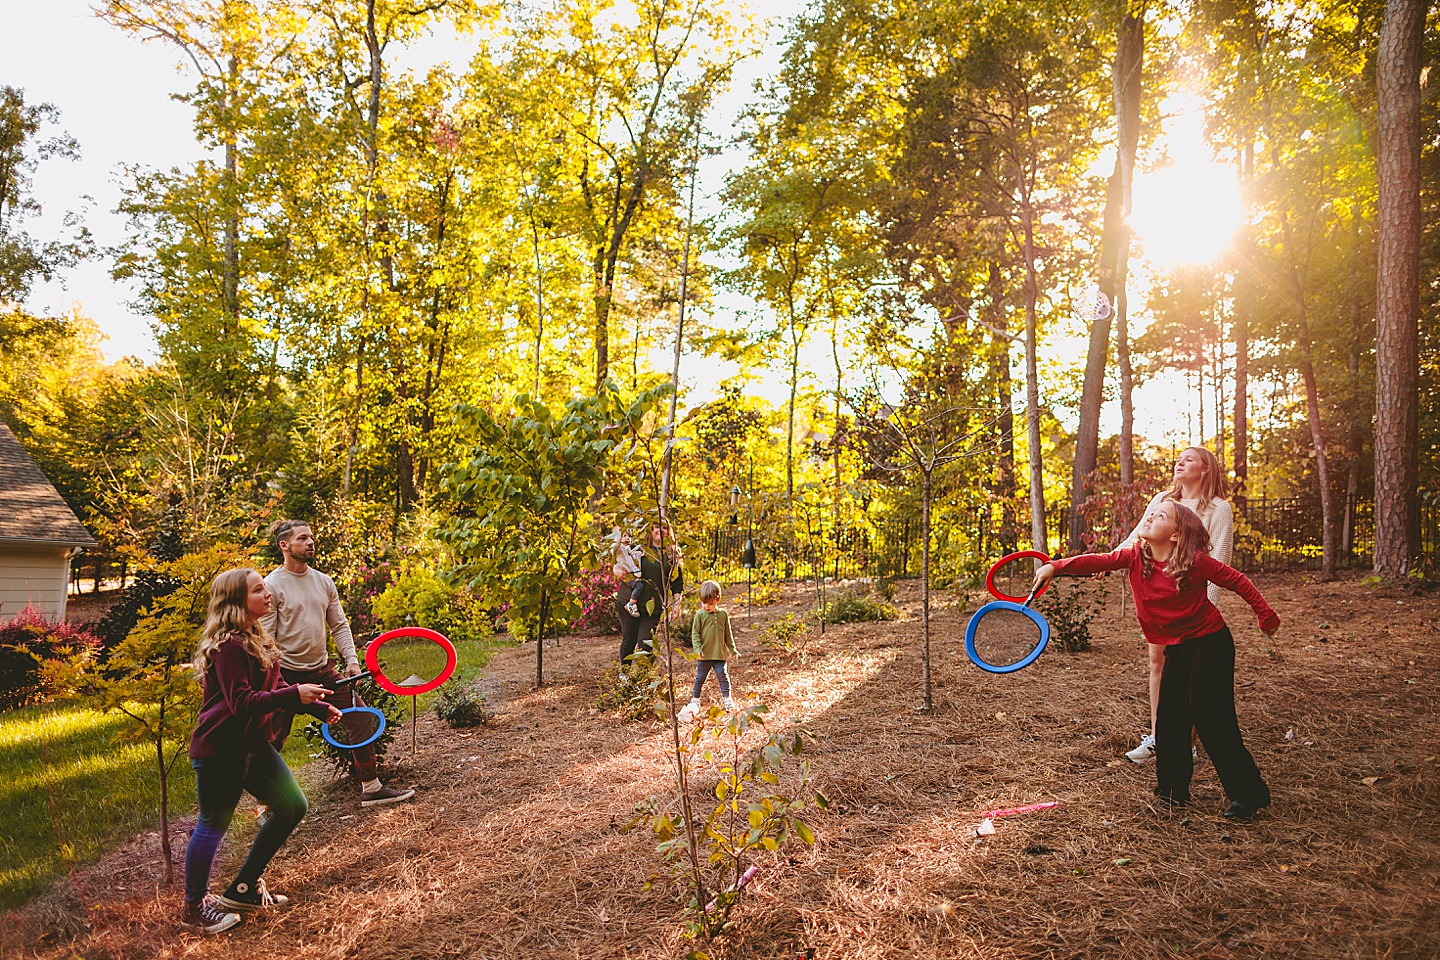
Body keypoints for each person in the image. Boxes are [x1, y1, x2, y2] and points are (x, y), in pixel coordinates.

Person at [1032, 501, 1280, 820]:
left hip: (1210, 643)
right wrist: (1056, 566)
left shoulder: (1196, 561)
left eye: (1160, 516)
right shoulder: (1136, 555)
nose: (1150, 517)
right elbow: (1100, 560)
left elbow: (1237, 581)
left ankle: (1248, 794)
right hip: (1176, 646)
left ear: (1176, 535)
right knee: (1170, 720)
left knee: (1210, 718)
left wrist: (1266, 616)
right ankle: (1172, 792)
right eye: (1150, 513)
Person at [182, 567, 342, 934]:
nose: (267, 594)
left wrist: (316, 705)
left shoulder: (257, 637)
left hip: (254, 745)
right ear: (237, 601)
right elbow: (242, 702)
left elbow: (279, 685)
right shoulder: (228, 646)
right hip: (221, 748)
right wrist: (293, 694)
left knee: (291, 806)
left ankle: (243, 888)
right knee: (213, 825)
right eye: (258, 590)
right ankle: (193, 907)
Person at [262, 519, 414, 807]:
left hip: (322, 671)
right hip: (285, 676)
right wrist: (275, 682)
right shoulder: (272, 585)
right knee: (271, 738)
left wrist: (352, 661)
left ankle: (371, 786)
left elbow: (340, 626)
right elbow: (267, 640)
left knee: (359, 716)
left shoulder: (323, 581)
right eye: (302, 538)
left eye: (311, 537)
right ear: (284, 545)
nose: (310, 542)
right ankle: (266, 801)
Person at [1118, 446, 1234, 763]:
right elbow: (1137, 537)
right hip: (1160, 600)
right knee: (1160, 664)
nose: (1180, 463)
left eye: (1189, 460)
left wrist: (1203, 611)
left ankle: (1186, 743)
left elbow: (1219, 558)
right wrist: (1109, 561)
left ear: (1206, 468)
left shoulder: (1219, 509)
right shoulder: (1163, 501)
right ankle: (1159, 737)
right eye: (1178, 459)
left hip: (1193, 607)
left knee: (1194, 676)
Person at [615, 521, 684, 665]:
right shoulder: (639, 548)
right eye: (657, 527)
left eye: (665, 527)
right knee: (629, 640)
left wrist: (677, 605)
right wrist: (616, 571)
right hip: (628, 602)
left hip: (653, 606)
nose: (661, 530)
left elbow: (677, 583)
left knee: (646, 643)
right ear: (651, 530)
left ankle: (642, 679)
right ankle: (625, 676)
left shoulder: (672, 554)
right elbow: (619, 561)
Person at [679, 580, 738, 720]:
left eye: (710, 603)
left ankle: (727, 699)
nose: (707, 606)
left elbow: (727, 634)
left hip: (719, 654)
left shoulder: (723, 614)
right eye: (704, 603)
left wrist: (732, 649)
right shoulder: (700, 615)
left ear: (717, 599)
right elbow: (695, 634)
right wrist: (698, 648)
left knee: (723, 675)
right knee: (700, 677)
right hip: (704, 655)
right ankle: (696, 699)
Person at [606, 527, 646, 617]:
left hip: (633, 574)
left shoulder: (629, 549)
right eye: (624, 536)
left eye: (628, 536)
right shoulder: (619, 549)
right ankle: (631, 604)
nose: (627, 538)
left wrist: (639, 554)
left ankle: (632, 603)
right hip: (627, 575)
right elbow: (614, 549)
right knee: (639, 586)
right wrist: (618, 537)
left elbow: (634, 560)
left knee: (639, 585)